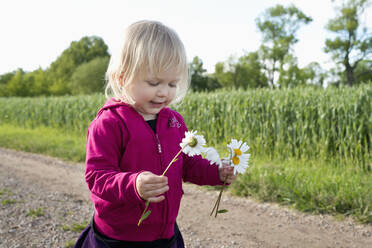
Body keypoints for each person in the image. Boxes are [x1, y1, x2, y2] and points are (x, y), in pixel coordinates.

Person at [74, 20, 236, 248]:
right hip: (119, 238)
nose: (164, 92)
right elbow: (97, 177)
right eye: (153, 82)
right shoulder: (110, 123)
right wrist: (134, 184)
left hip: (165, 233)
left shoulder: (173, 121)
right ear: (122, 77)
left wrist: (216, 172)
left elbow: (187, 164)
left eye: (172, 84)